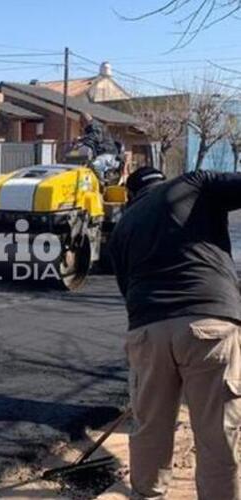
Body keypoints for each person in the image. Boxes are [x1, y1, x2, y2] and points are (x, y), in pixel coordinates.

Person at [108, 166, 241, 499]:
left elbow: (127, 290)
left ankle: (148, 494)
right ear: (162, 180)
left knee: (150, 431)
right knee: (216, 434)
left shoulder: (122, 226)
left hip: (147, 330)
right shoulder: (194, 184)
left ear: (131, 194)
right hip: (208, 322)